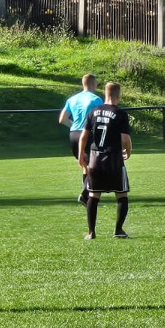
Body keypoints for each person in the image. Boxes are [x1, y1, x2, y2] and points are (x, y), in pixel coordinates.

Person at [78, 81, 132, 240]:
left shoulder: (93, 111)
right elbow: (125, 138)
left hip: (95, 158)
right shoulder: (120, 113)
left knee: (93, 195)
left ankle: (91, 232)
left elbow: (83, 136)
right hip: (114, 158)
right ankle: (118, 230)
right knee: (122, 194)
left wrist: (81, 155)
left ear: (105, 95)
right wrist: (128, 152)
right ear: (118, 96)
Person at [59, 73, 103, 205]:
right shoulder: (96, 99)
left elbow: (62, 119)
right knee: (94, 165)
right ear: (93, 84)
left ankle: (87, 194)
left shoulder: (72, 99)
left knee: (85, 164)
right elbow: (100, 119)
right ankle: (85, 194)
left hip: (73, 134)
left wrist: (75, 127)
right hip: (88, 134)